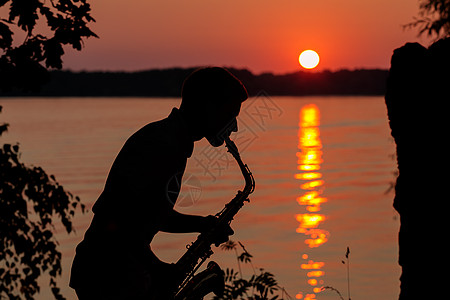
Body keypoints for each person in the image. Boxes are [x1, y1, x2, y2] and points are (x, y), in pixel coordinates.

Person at [69, 67, 248, 300]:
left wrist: (203, 224)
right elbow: (114, 216)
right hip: (109, 275)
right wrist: (156, 267)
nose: (234, 127)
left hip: (118, 272)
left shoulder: (172, 141)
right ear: (209, 105)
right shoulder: (160, 144)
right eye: (230, 114)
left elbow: (148, 214)